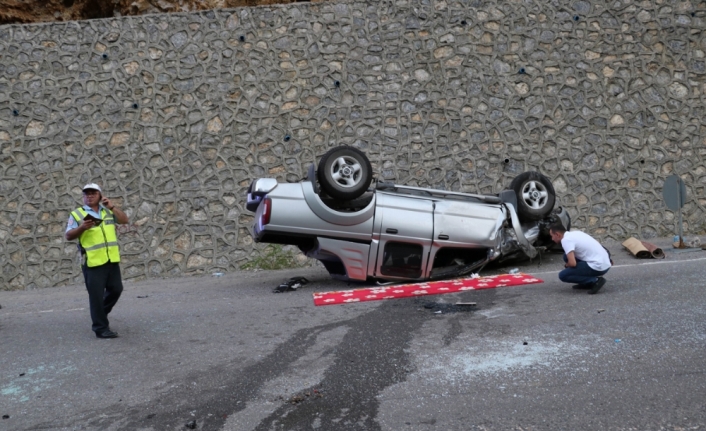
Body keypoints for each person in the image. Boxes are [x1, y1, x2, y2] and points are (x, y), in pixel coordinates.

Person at [65, 183, 129, 338]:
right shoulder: (77, 214)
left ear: (100, 196)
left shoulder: (107, 212)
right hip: (92, 262)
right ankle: (100, 328)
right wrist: (82, 228)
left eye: (93, 193)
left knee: (116, 290)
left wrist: (112, 207)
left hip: (111, 260)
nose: (89, 196)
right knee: (96, 297)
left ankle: (100, 313)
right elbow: (68, 235)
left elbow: (124, 220)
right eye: (86, 194)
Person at [549, 223, 612, 294]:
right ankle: (587, 283)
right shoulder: (576, 233)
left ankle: (595, 281)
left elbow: (572, 263)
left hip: (598, 266)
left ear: (557, 234)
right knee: (566, 256)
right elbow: (595, 245)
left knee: (563, 275)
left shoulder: (566, 240)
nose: (552, 239)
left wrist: (567, 265)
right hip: (605, 263)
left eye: (552, 236)